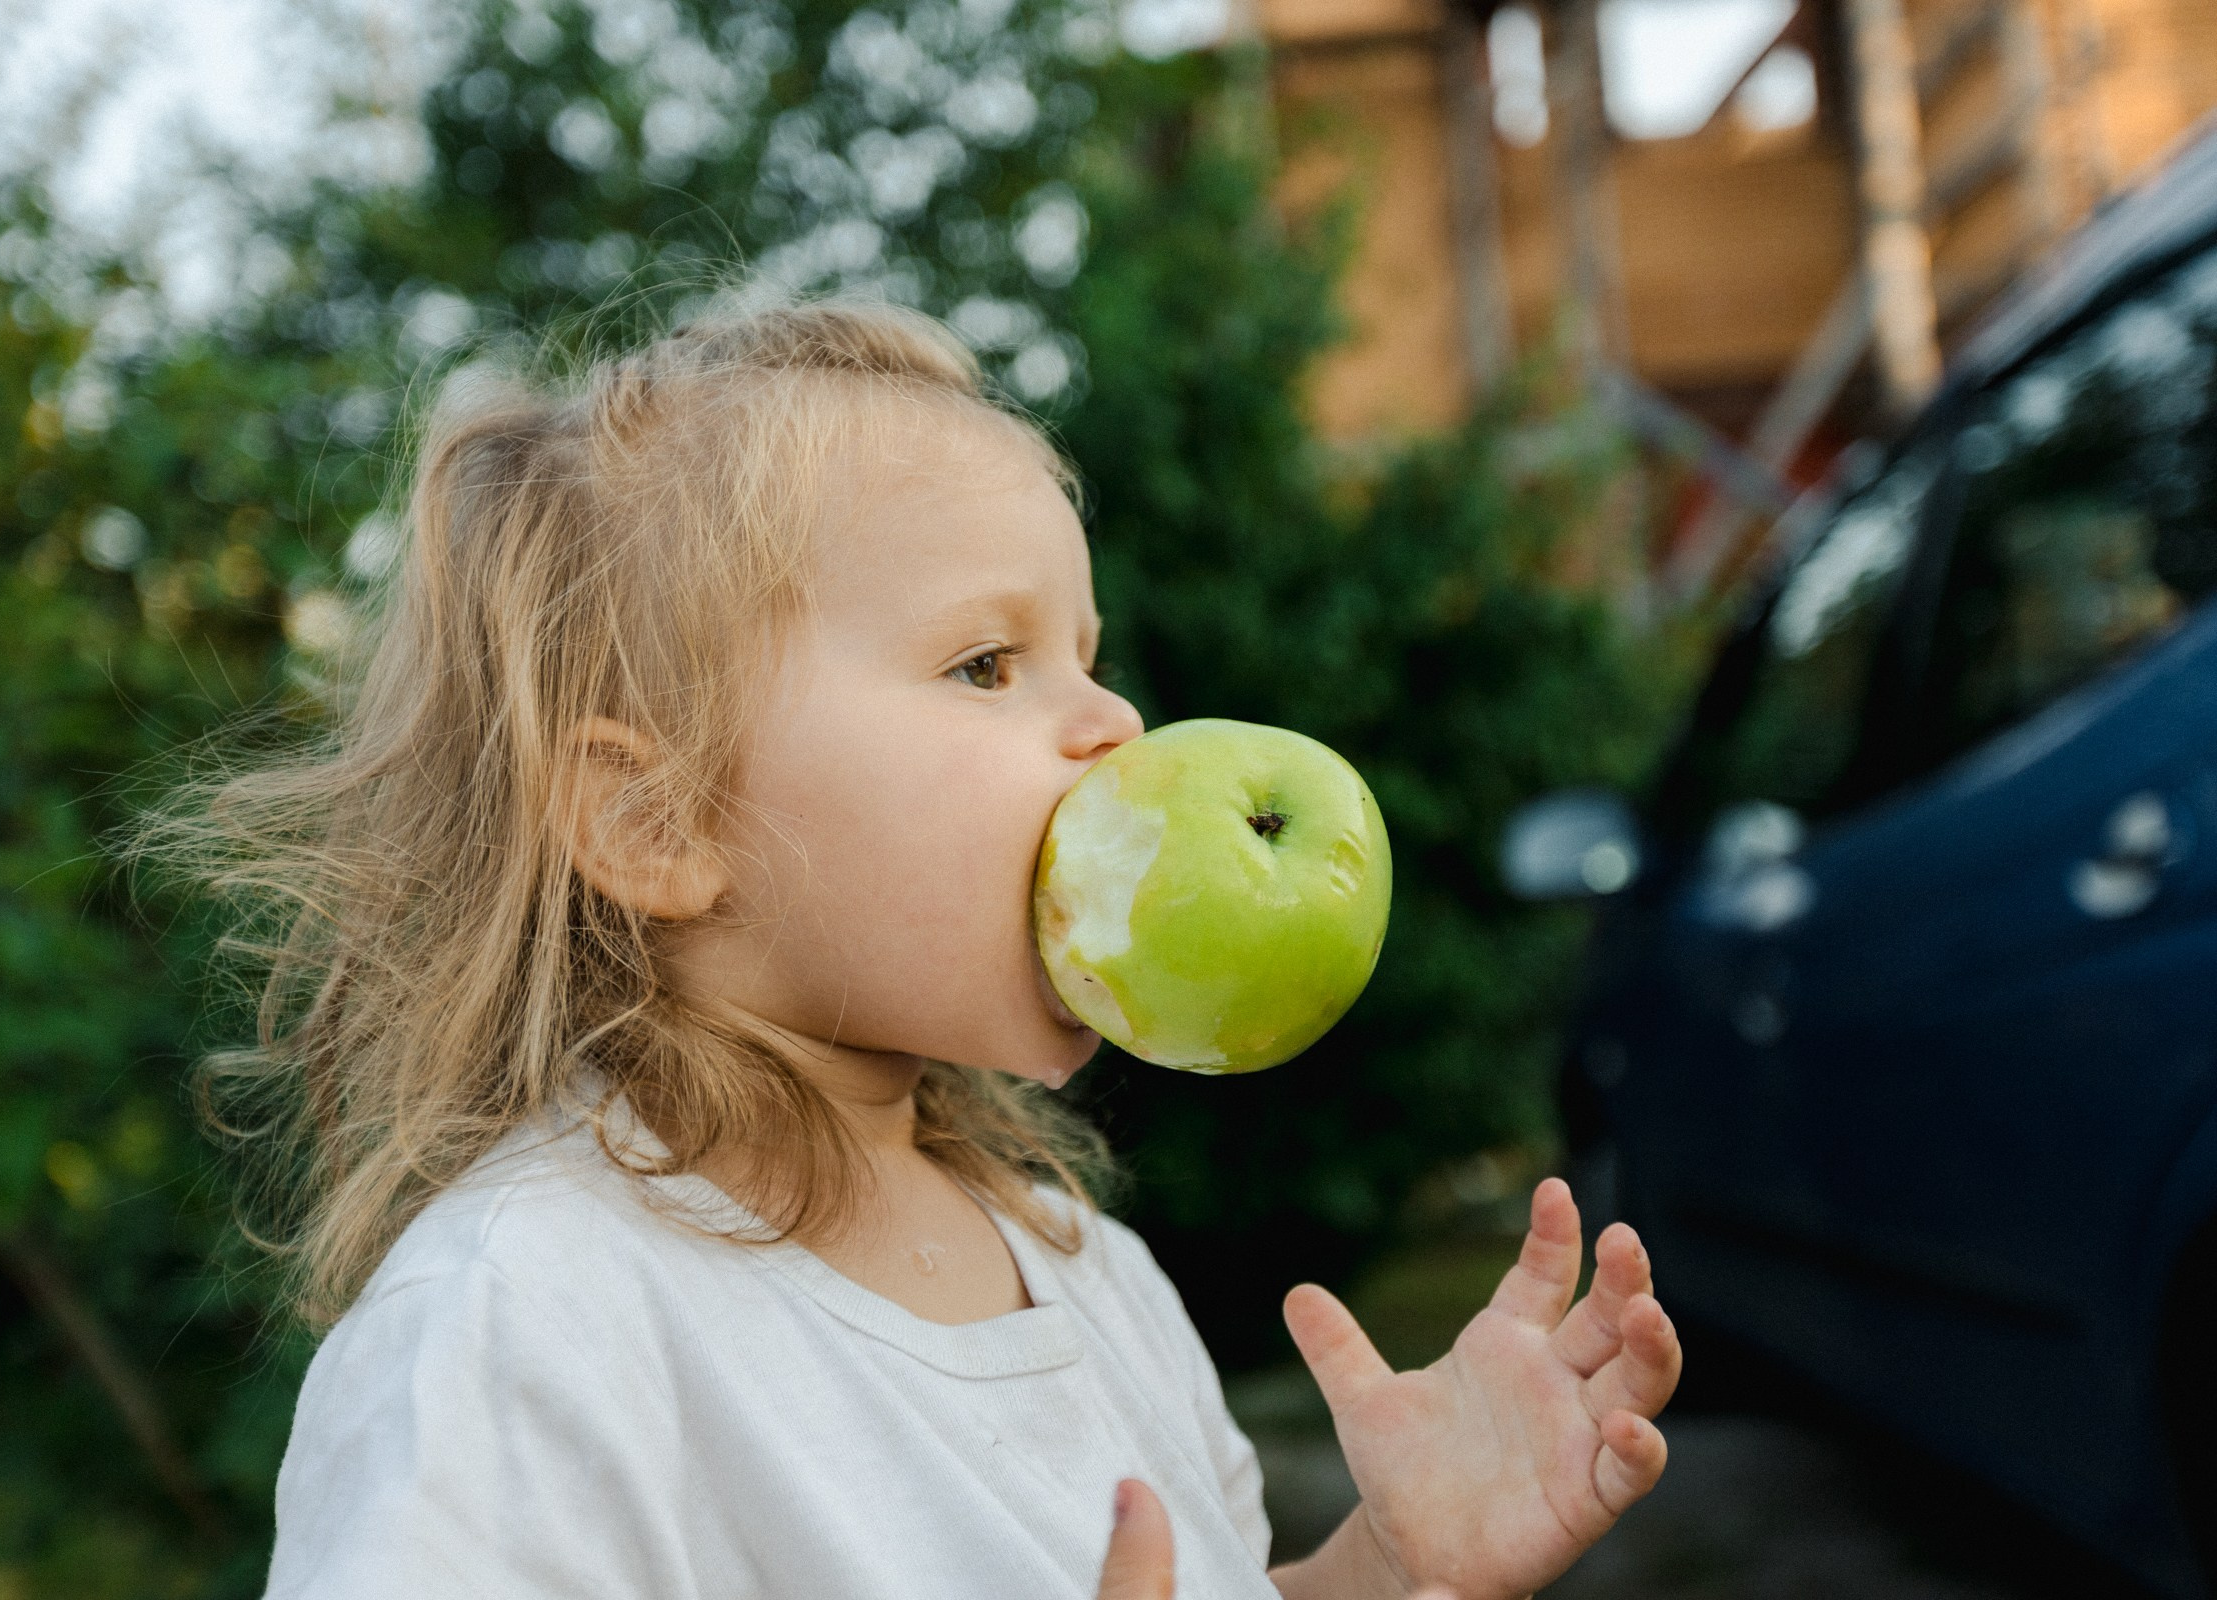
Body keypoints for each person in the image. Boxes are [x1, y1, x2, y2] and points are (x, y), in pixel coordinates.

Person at [170, 298, 1681, 1599]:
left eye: (1086, 658)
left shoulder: (1081, 1272)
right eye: (985, 662)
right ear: (656, 820)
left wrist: (1388, 1560)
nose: (1113, 728)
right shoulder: (532, 1322)